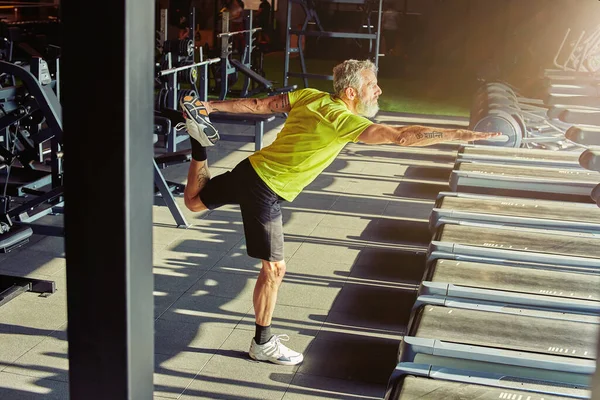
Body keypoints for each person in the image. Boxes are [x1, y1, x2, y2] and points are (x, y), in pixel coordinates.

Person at [178, 59, 498, 366]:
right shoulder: (343, 120)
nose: (378, 91)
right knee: (275, 269)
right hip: (266, 188)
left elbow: (261, 105)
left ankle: (199, 145)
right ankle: (262, 344)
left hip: (251, 170)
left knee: (193, 202)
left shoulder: (309, 96)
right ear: (350, 93)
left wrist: (210, 106)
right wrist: (458, 135)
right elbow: (401, 136)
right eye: (371, 85)